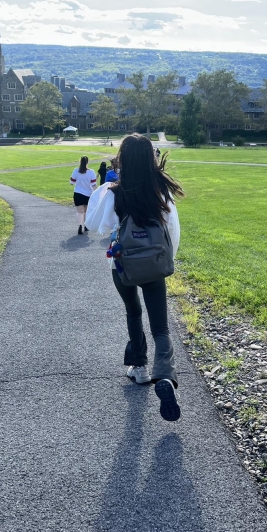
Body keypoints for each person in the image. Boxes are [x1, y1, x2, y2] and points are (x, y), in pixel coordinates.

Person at [86, 133, 184, 421]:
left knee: (133, 311)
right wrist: (165, 262)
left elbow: (95, 226)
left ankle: (139, 368)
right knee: (161, 328)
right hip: (155, 265)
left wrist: (107, 191)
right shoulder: (161, 191)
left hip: (122, 266)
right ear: (152, 159)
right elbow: (173, 233)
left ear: (123, 159)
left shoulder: (112, 192)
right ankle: (164, 375)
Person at [70, 156, 97, 234]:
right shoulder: (91, 172)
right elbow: (93, 184)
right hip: (88, 194)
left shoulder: (76, 170)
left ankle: (79, 226)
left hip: (78, 193)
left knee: (79, 211)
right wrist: (97, 193)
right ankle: (86, 225)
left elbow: (72, 182)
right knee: (86, 210)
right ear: (87, 162)